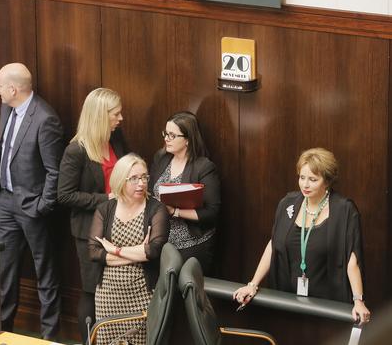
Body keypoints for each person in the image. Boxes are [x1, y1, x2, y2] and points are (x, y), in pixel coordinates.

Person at [233, 148, 371, 326]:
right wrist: (252, 284)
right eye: (302, 177)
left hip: (327, 306)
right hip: (289, 302)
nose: (305, 185)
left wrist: (358, 300)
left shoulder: (344, 210)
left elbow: (352, 259)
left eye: (313, 179)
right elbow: (274, 245)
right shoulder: (288, 204)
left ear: (327, 181)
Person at [0, 62, 63, 339]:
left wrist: (42, 206)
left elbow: (55, 171)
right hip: (5, 201)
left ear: (13, 88)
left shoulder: (45, 119)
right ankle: (2, 333)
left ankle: (49, 338)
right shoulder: (6, 108)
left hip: (33, 208)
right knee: (5, 271)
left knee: (45, 273)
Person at [57, 87, 126, 344]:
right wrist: (105, 199)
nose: (121, 119)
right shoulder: (76, 150)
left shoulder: (116, 140)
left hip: (120, 226)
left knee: (115, 289)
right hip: (90, 231)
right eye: (116, 114)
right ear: (100, 115)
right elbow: (64, 195)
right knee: (91, 289)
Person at [89, 153, 168, 345]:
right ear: (120, 180)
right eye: (134, 178)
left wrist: (115, 250)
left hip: (142, 294)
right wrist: (138, 252)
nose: (141, 183)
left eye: (144, 177)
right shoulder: (105, 209)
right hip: (107, 294)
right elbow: (94, 252)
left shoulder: (156, 210)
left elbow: (153, 251)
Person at [148, 111, 220, 274]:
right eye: (165, 133)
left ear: (187, 140)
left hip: (191, 244)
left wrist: (175, 211)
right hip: (161, 241)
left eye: (172, 135)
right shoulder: (161, 158)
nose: (166, 138)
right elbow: (150, 190)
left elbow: (211, 212)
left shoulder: (204, 167)